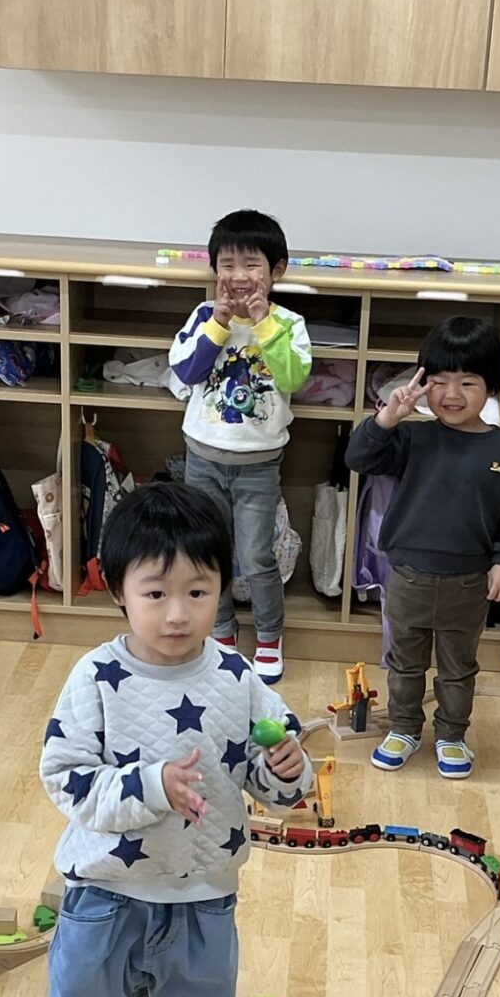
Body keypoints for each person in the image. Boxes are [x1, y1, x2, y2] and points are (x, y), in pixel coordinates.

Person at [39, 482, 309, 997]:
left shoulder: (238, 677)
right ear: (118, 592)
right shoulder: (96, 677)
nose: (179, 612)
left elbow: (270, 773)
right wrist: (152, 786)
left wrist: (287, 771)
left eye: (198, 591)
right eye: (156, 593)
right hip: (107, 893)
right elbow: (66, 780)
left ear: (223, 587)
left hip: (203, 892)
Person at [344, 316, 500, 780]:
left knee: (457, 666)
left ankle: (451, 734)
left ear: (491, 388)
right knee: (404, 662)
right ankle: (404, 727)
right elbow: (359, 457)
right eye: (440, 381)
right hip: (408, 575)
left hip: (468, 582)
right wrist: (387, 419)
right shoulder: (412, 436)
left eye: (467, 382)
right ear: (423, 383)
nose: (452, 393)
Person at [168, 209, 312, 683]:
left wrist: (263, 322)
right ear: (214, 272)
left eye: (252, 265)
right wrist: (219, 322)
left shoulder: (289, 323)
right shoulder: (203, 317)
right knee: (208, 552)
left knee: (255, 558)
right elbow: (187, 372)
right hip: (203, 458)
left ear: (277, 271)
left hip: (258, 465)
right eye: (227, 265)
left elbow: (292, 377)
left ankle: (269, 636)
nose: (239, 276)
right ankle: (221, 632)